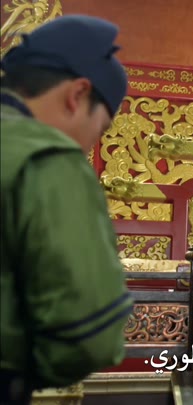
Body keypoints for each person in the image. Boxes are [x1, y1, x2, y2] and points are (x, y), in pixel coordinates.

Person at [1, 15, 134, 403]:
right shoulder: (47, 159)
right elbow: (89, 338)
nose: (90, 144)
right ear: (77, 95)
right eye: (100, 129)